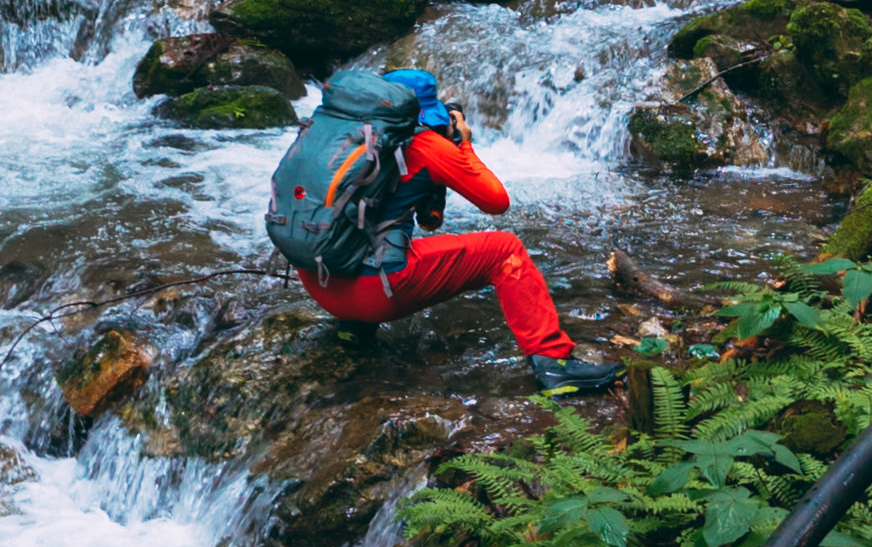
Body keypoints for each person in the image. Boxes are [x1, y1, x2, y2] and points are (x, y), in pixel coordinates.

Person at [261, 67, 623, 388]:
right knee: (506, 249)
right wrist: (464, 144)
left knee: (361, 224)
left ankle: (353, 331)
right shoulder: (428, 146)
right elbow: (496, 202)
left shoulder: (341, 135)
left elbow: (425, 219)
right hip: (374, 294)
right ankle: (554, 362)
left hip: (318, 279)